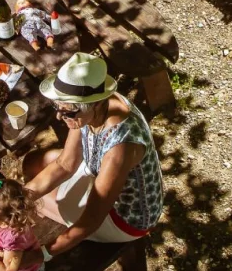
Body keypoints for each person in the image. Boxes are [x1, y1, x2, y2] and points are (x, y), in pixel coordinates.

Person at [23, 52, 164, 253]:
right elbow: (65, 163)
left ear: (96, 104)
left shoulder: (120, 148)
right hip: (98, 172)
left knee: (37, 201)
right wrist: (19, 198)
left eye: (68, 111)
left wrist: (44, 254)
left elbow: (91, 220)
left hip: (126, 216)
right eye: (58, 106)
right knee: (32, 164)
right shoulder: (96, 105)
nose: (59, 116)